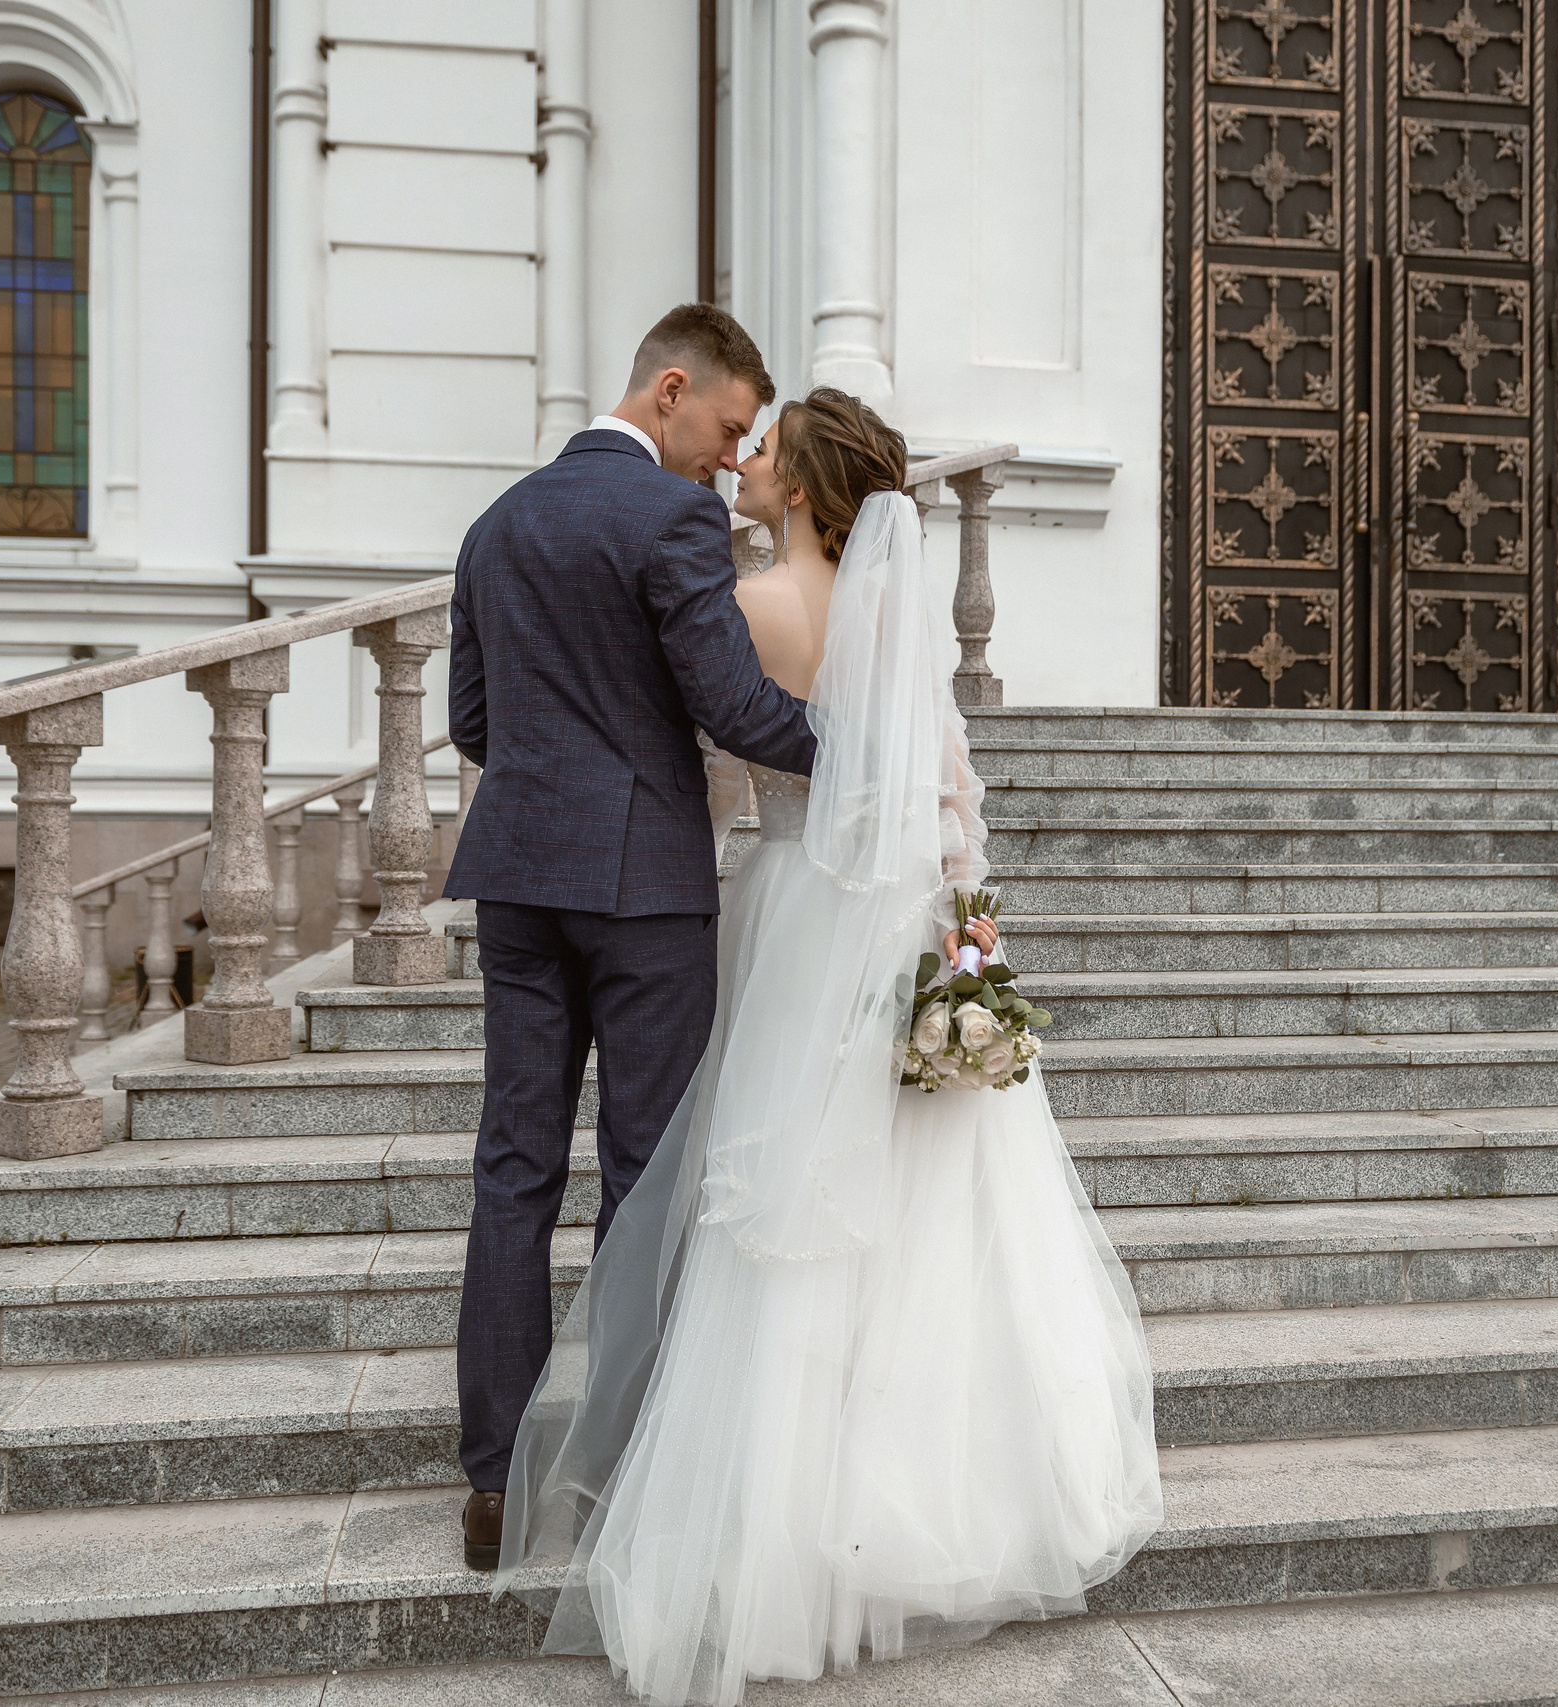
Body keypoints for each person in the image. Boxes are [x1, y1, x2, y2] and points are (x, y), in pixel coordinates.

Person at [494, 389, 1163, 1706]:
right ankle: (923, 1504)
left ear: (800, 486)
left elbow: (708, 776)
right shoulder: (894, 616)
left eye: (766, 451)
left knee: (778, 1201)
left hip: (795, 904)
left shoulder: (742, 610)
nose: (744, 463)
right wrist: (962, 930)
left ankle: (776, 1531)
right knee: (914, 1212)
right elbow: (952, 793)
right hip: (899, 915)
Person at [444, 305, 820, 1573]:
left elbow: (476, 720)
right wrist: (862, 749)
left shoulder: (496, 523)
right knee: (644, 1177)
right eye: (725, 428)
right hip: (646, 887)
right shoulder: (671, 521)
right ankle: (616, 1469)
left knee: (513, 1168)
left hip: (517, 880)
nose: (730, 458)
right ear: (669, 389)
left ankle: (493, 1478)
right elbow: (730, 704)